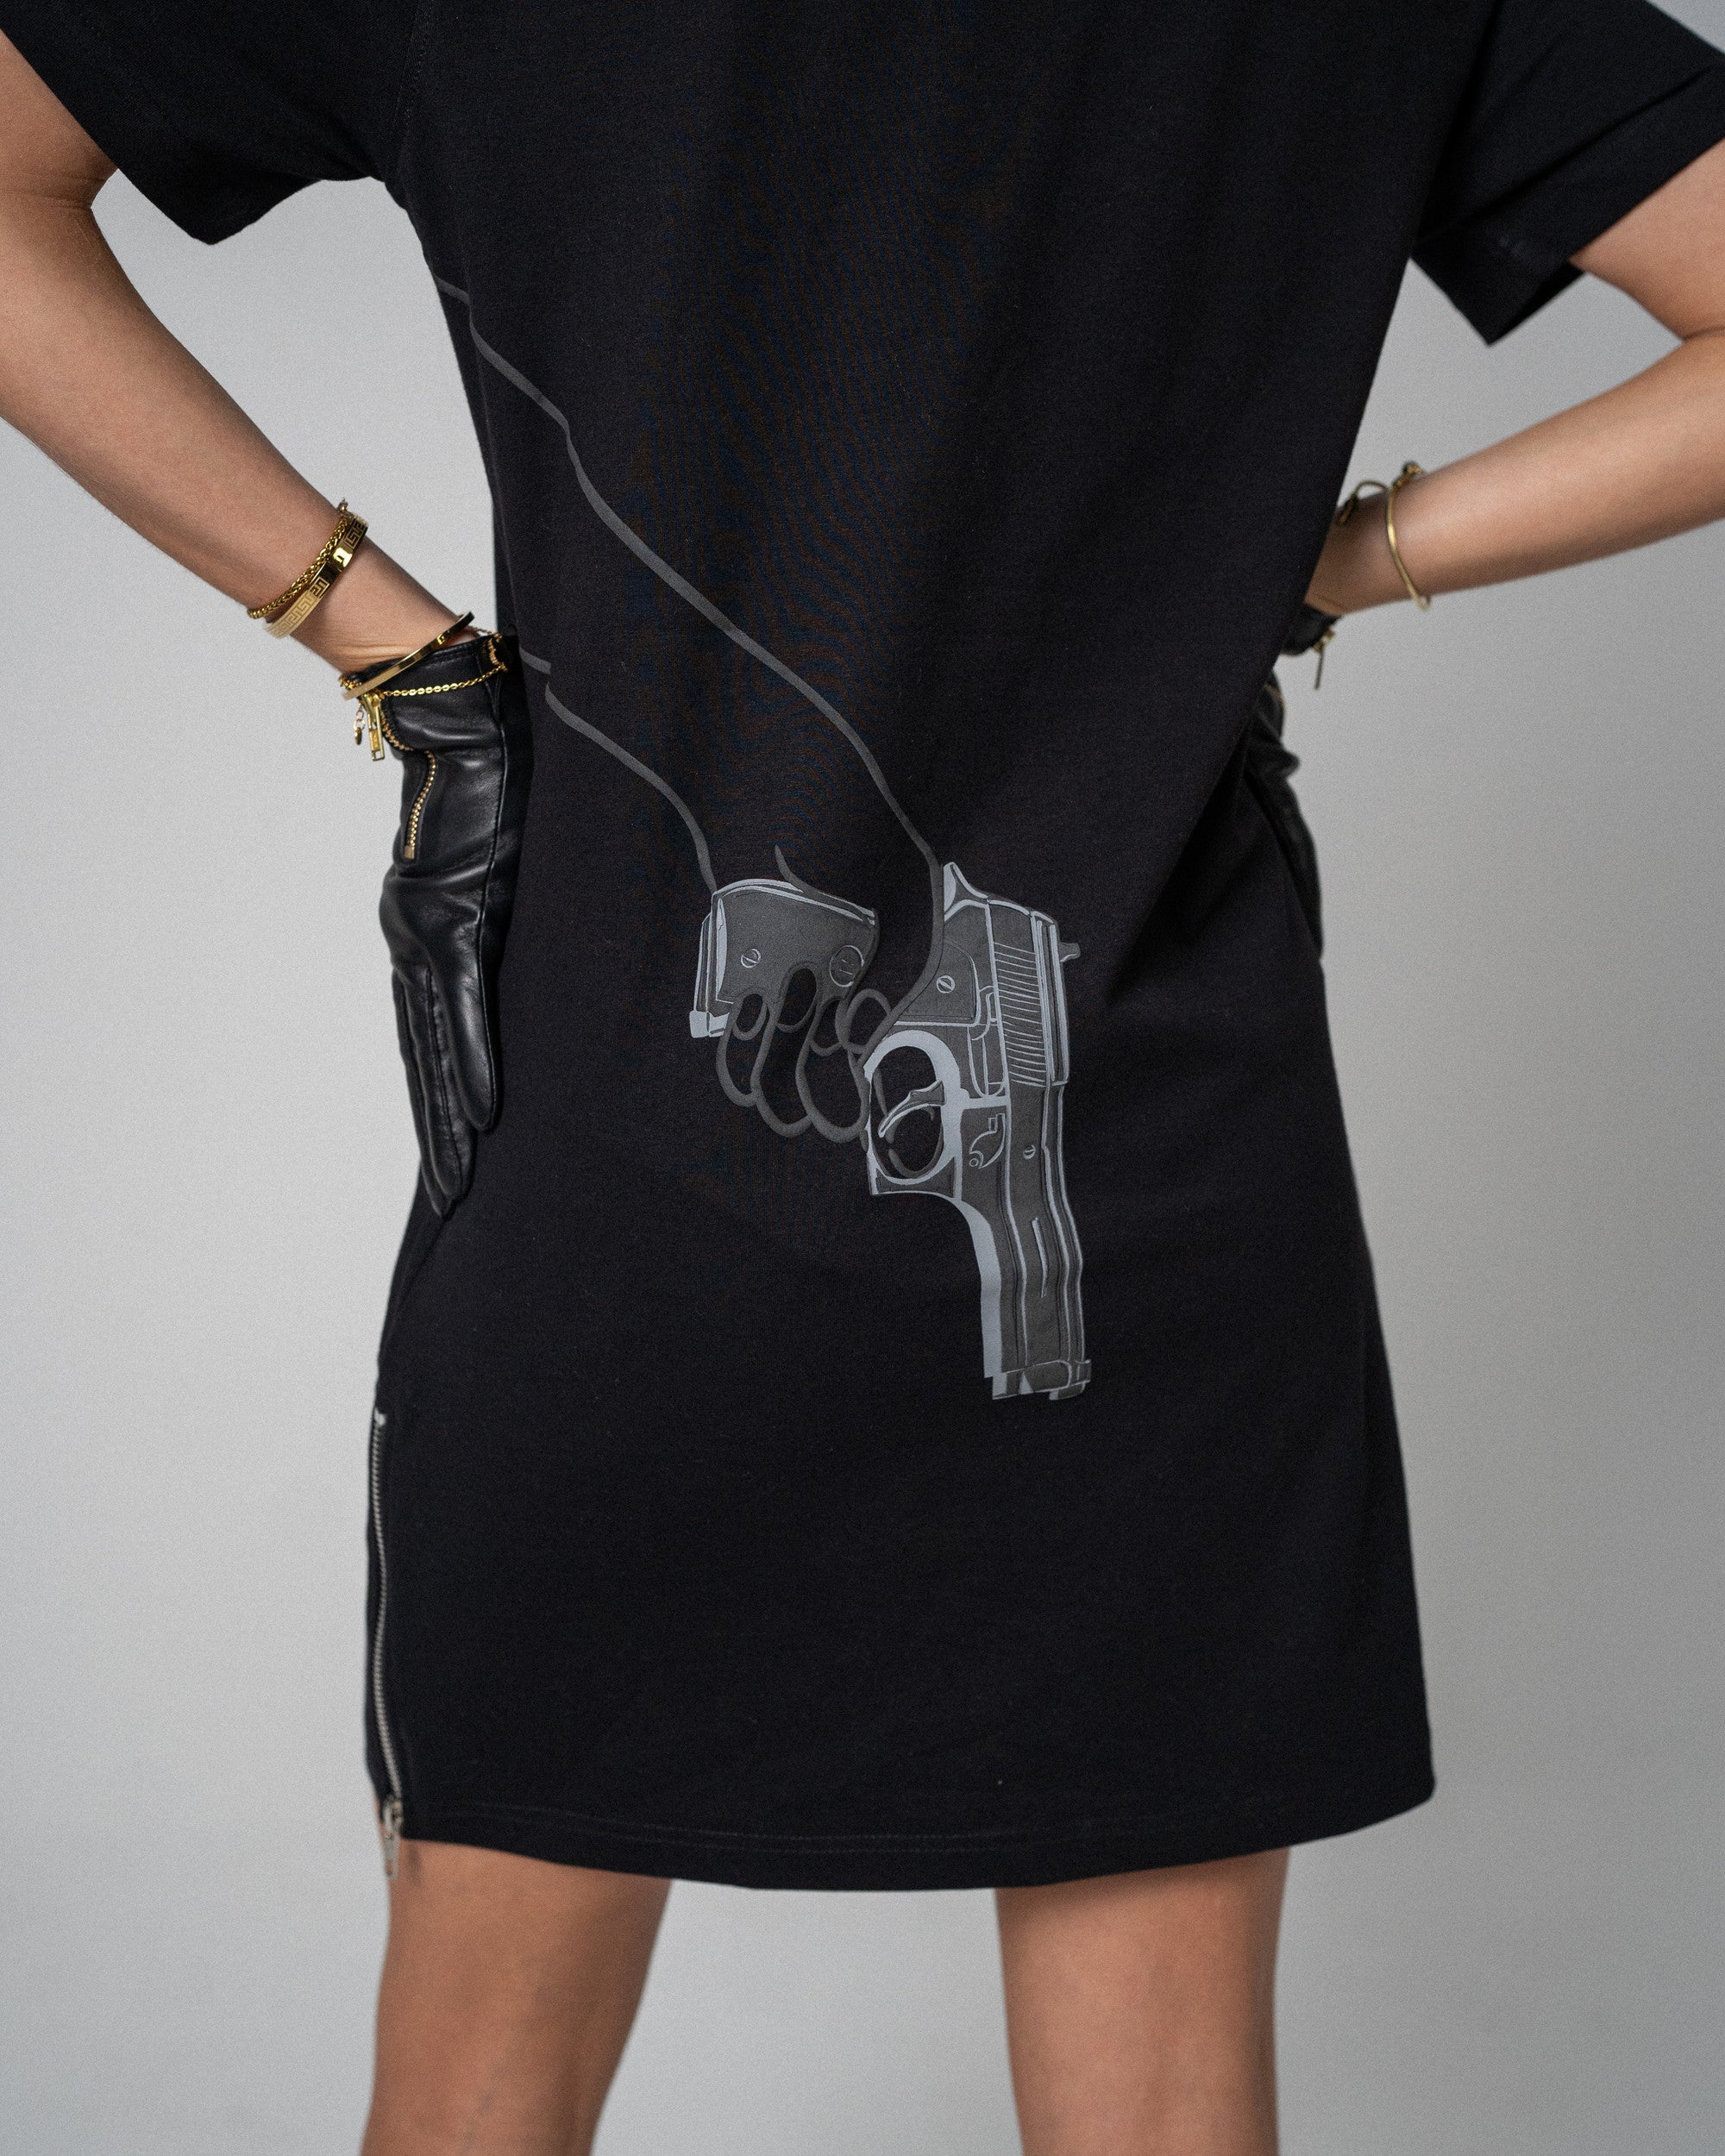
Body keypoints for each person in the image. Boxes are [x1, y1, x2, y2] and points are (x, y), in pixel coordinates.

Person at [3, 3, 1723, 2150]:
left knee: (475, 2091)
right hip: (1123, 1141)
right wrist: (1335, 555)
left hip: (649, 1142)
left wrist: (384, 636)